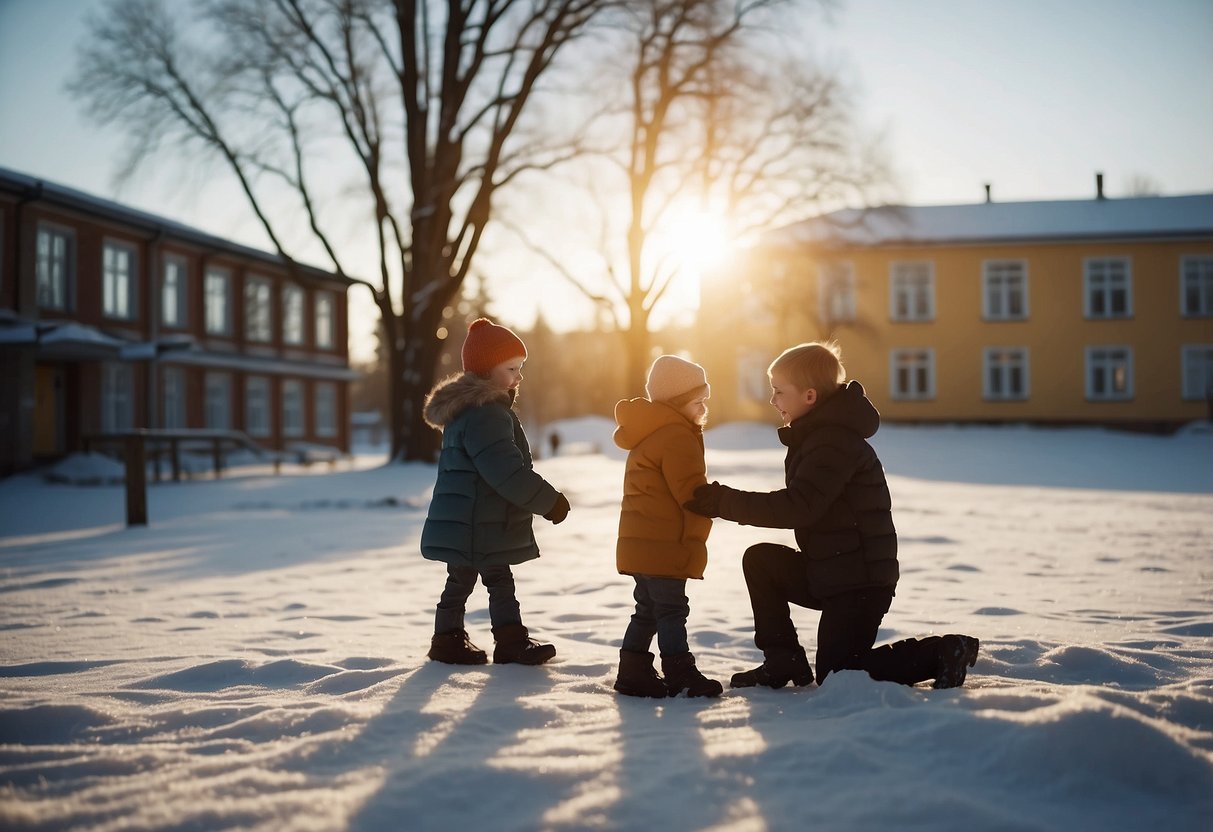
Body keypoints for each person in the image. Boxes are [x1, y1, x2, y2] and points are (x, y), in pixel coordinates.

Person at [684, 342, 979, 690]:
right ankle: (783, 660)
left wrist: (724, 502)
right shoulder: (815, 437)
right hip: (832, 571)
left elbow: (800, 506)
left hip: (861, 584)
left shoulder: (833, 443)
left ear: (809, 396)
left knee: (839, 676)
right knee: (761, 560)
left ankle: (943, 651)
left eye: (779, 392)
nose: (773, 400)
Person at [420, 318, 571, 666]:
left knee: (462, 581)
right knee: (497, 581)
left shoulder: (468, 411)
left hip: (470, 520)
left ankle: (449, 640)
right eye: (511, 368)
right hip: (479, 522)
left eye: (520, 368)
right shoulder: (486, 415)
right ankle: (508, 642)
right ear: (487, 372)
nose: (518, 376)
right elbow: (505, 472)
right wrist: (550, 501)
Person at [612, 355, 723, 698]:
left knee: (646, 609)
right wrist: (716, 501)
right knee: (672, 610)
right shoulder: (676, 435)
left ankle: (632, 670)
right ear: (678, 403)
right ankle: (679, 671)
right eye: (697, 401)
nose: (703, 408)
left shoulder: (649, 432)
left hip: (643, 544)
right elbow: (690, 491)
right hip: (664, 544)